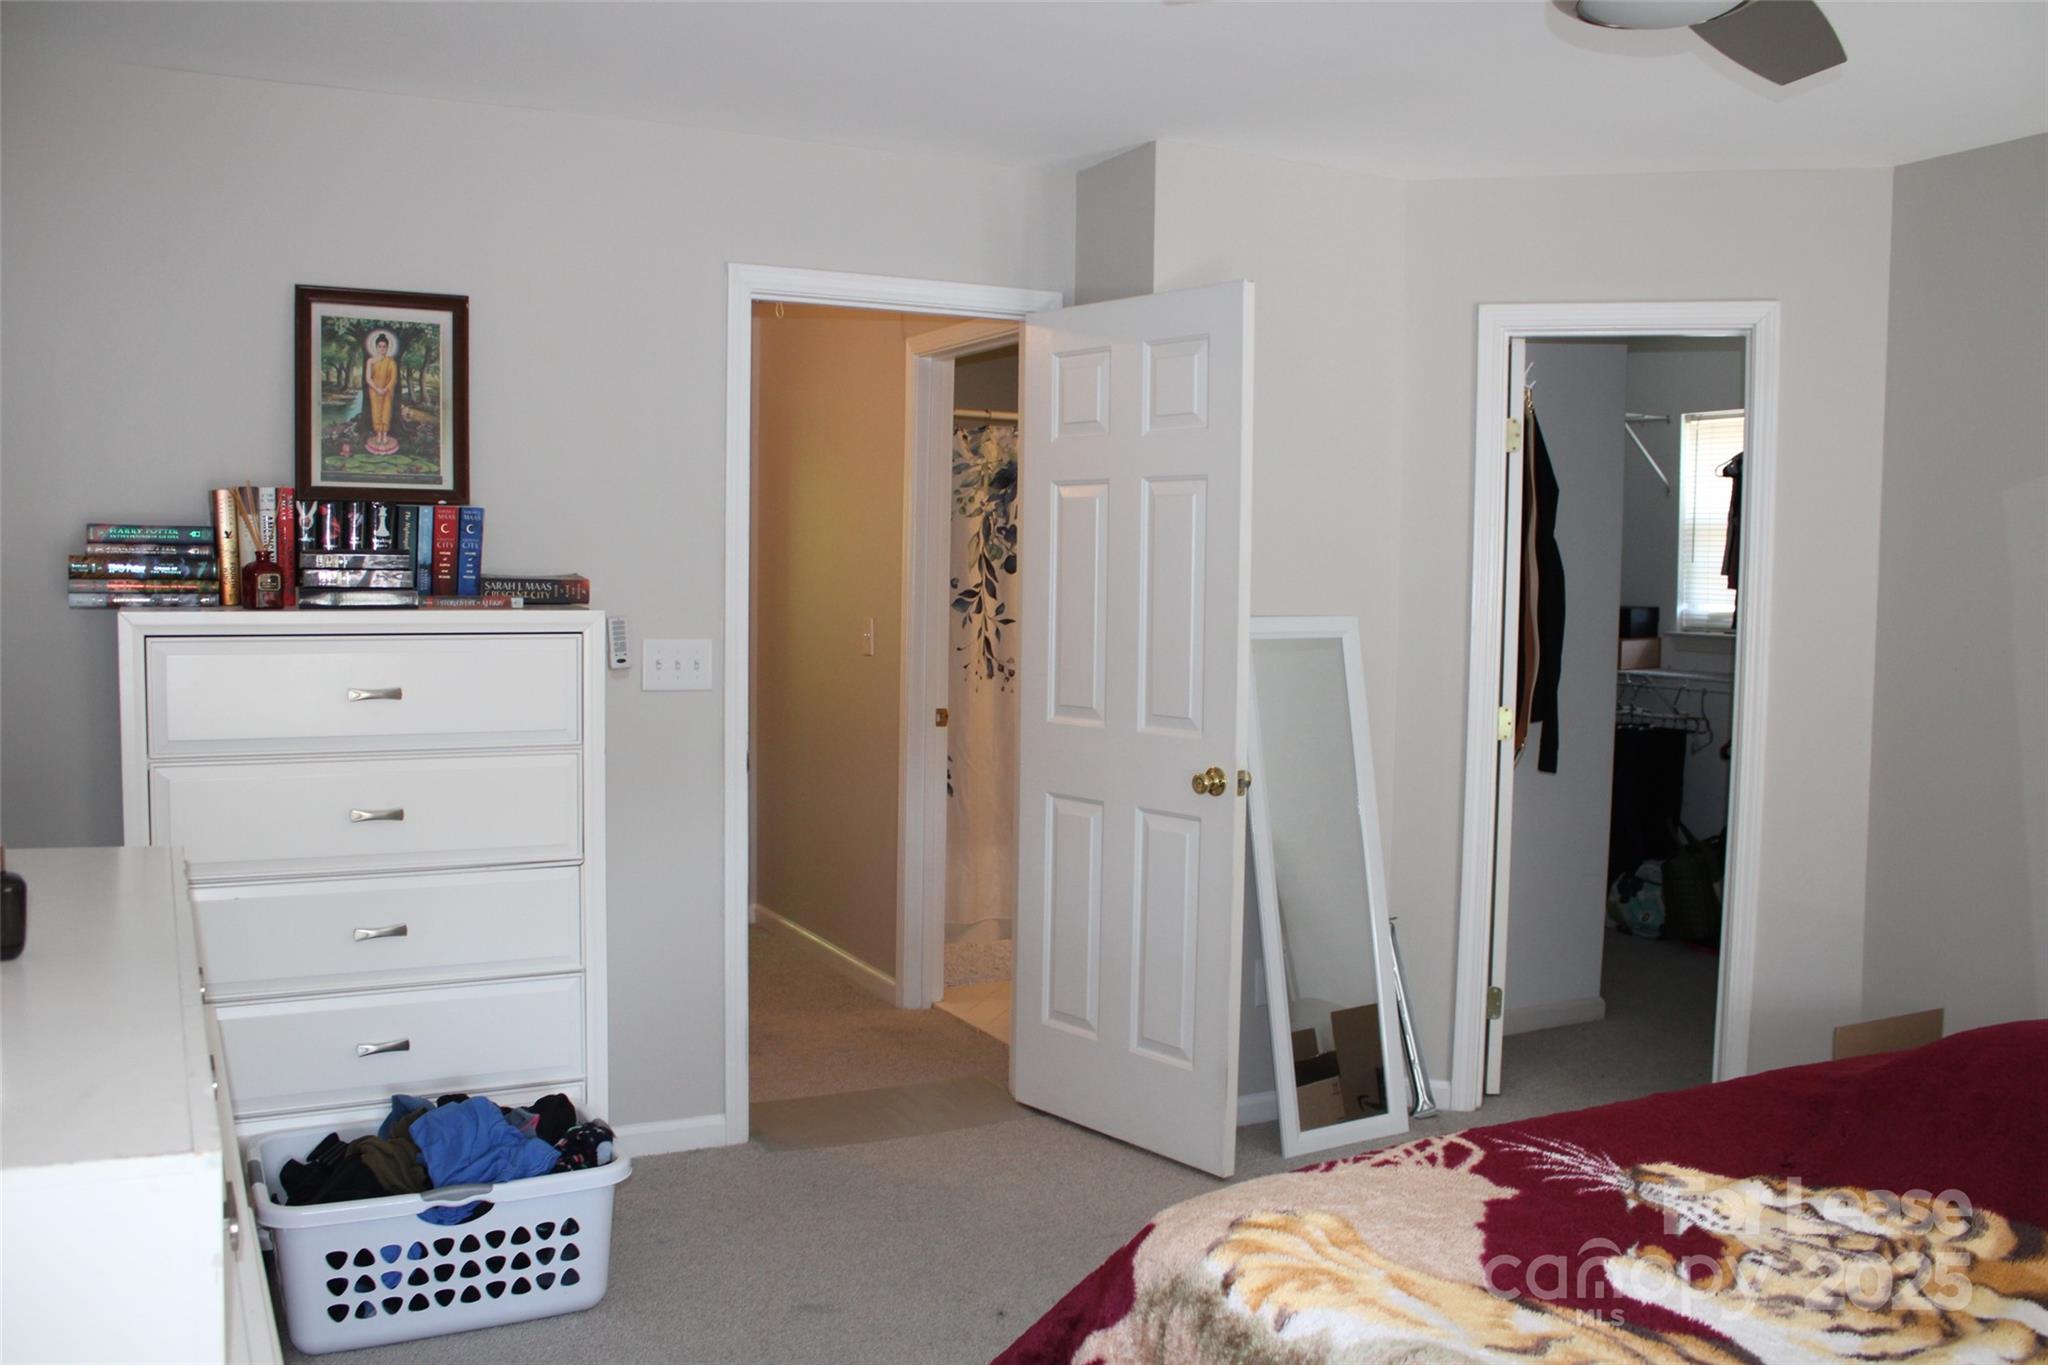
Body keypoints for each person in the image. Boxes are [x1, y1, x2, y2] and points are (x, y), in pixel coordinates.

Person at [365, 332, 399, 451]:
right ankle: (378, 434)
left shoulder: (391, 362)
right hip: (374, 390)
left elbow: (393, 379)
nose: (382, 349)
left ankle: (384, 434)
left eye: (384, 346)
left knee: (386, 411)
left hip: (387, 391)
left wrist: (385, 389)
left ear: (387, 348)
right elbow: (368, 378)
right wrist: (377, 389)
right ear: (376, 347)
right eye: (380, 346)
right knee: (376, 412)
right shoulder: (371, 361)